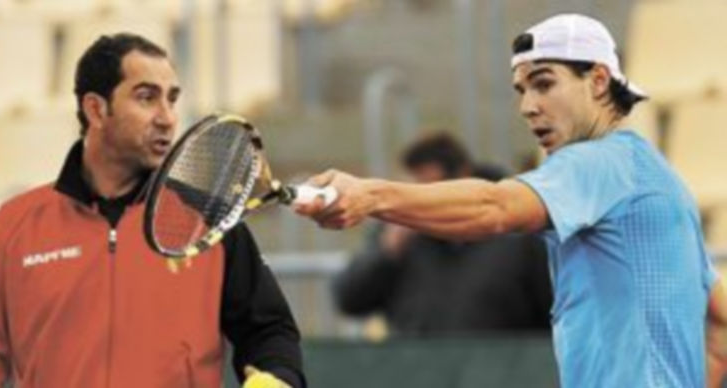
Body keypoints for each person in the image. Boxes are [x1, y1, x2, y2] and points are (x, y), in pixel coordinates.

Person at [296, 14, 727, 387]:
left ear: (598, 81)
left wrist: (372, 195)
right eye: (522, 89)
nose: (527, 106)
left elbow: (494, 207)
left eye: (544, 84)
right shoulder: (660, 180)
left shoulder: (599, 163)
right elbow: (721, 323)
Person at [0, 33, 304, 388]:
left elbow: (270, 332)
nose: (167, 117)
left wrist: (276, 379)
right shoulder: (14, 225)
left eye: (172, 100)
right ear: (96, 109)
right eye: (147, 98)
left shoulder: (210, 219)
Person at [333, 132, 551, 335]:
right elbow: (349, 299)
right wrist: (387, 253)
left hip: (502, 370)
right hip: (418, 369)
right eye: (412, 190)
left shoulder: (516, 232)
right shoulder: (398, 234)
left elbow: (550, 309)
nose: (420, 201)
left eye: (430, 189)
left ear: (461, 179)